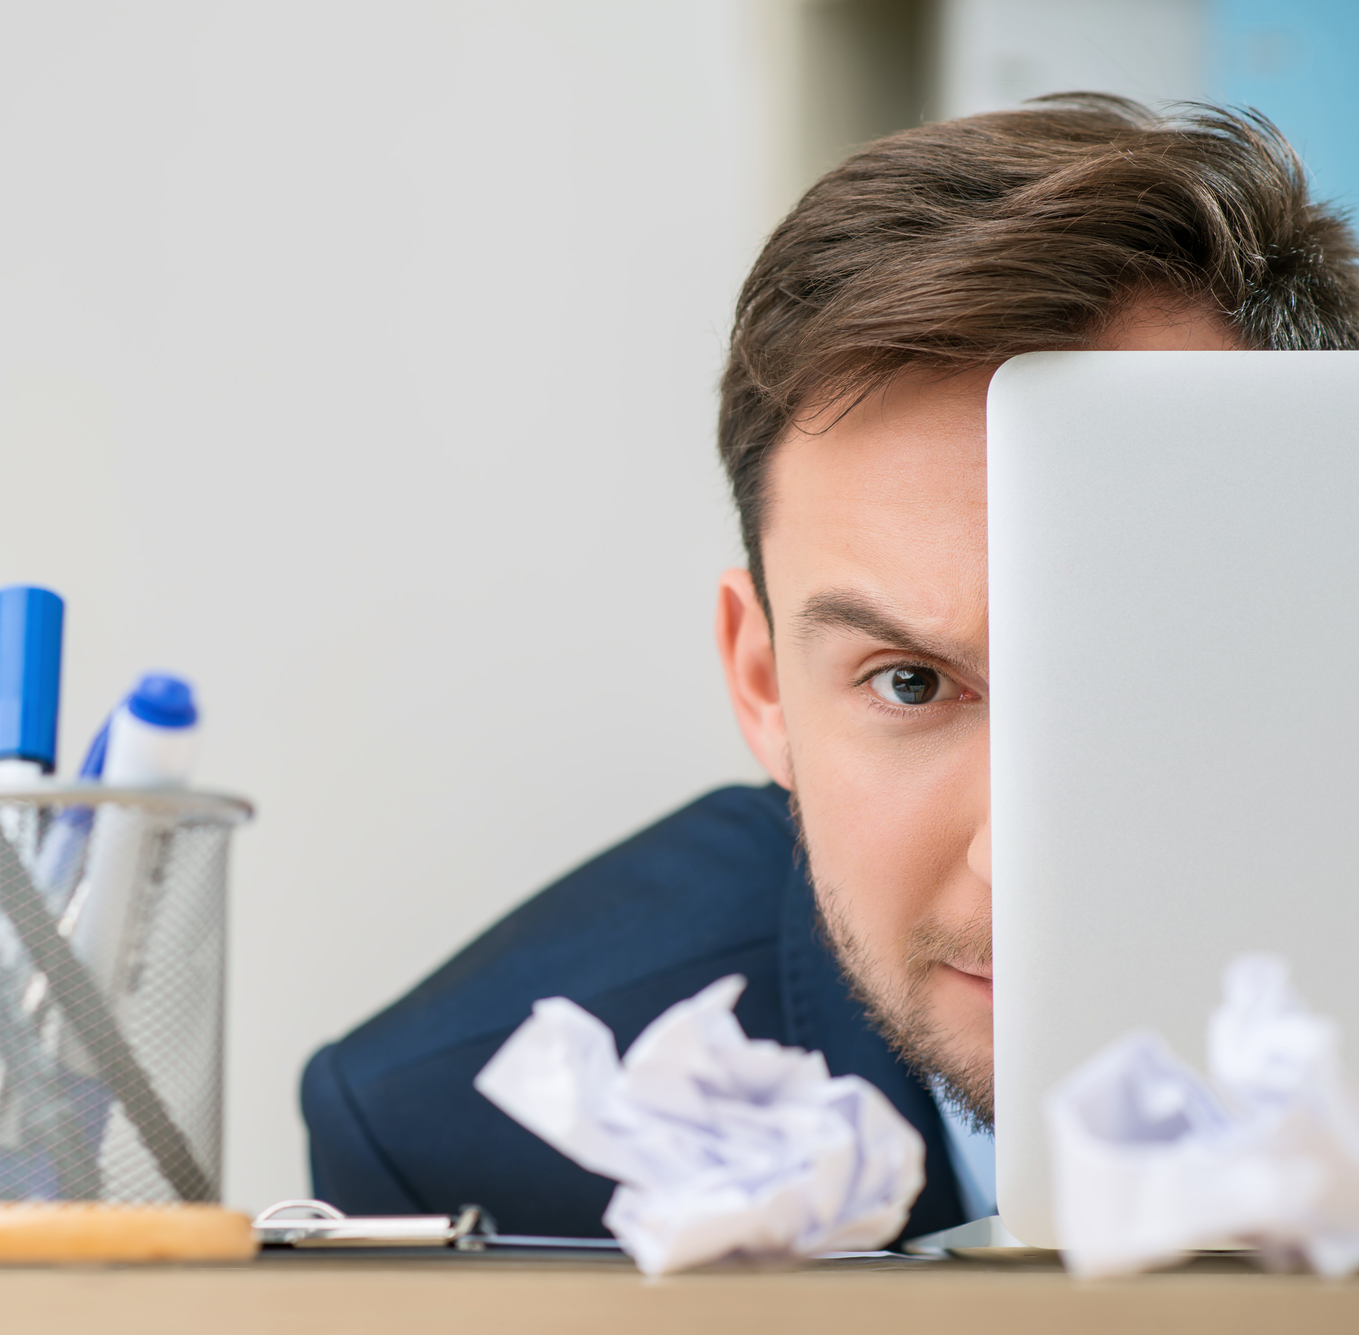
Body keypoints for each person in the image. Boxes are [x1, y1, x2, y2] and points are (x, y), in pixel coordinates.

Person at [298, 95, 1359, 1242]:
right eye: (906, 682)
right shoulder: (459, 1144)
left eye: (1154, 682)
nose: (1018, 860)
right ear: (760, 684)